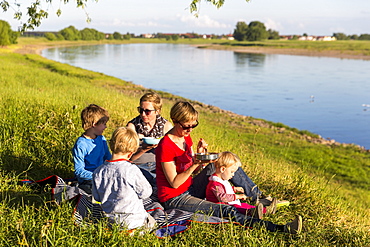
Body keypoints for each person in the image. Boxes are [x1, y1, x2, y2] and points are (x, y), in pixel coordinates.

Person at [155, 101, 302, 234]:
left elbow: (193, 172)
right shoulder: (165, 146)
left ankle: (256, 199)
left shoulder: (185, 137)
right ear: (175, 121)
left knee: (222, 163)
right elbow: (174, 182)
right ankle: (282, 228)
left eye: (194, 125)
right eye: (187, 126)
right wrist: (195, 164)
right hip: (175, 197)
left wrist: (200, 157)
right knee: (226, 210)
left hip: (191, 187)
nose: (191, 129)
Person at [92, 127, 155, 231]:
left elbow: (97, 198)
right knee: (153, 221)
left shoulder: (98, 172)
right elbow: (146, 193)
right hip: (134, 222)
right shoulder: (131, 170)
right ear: (131, 152)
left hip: (111, 222)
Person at [205, 151, 277, 219]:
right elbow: (223, 197)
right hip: (219, 208)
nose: (233, 175)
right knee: (238, 208)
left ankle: (266, 210)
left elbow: (224, 190)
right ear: (223, 169)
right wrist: (237, 196)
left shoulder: (221, 181)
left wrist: (234, 189)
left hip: (227, 204)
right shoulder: (215, 184)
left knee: (245, 205)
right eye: (232, 172)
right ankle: (252, 213)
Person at [127, 92, 173, 185]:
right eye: (141, 110)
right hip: (138, 166)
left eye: (147, 111)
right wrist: (142, 149)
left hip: (160, 167)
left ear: (157, 111)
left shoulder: (166, 126)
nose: (143, 114)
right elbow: (126, 157)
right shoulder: (132, 126)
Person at [72, 104, 112, 194]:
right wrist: (97, 176)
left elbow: (109, 158)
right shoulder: (81, 144)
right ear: (94, 124)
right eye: (104, 124)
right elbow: (79, 171)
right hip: (89, 180)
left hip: (103, 175)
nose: (105, 127)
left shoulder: (102, 139)